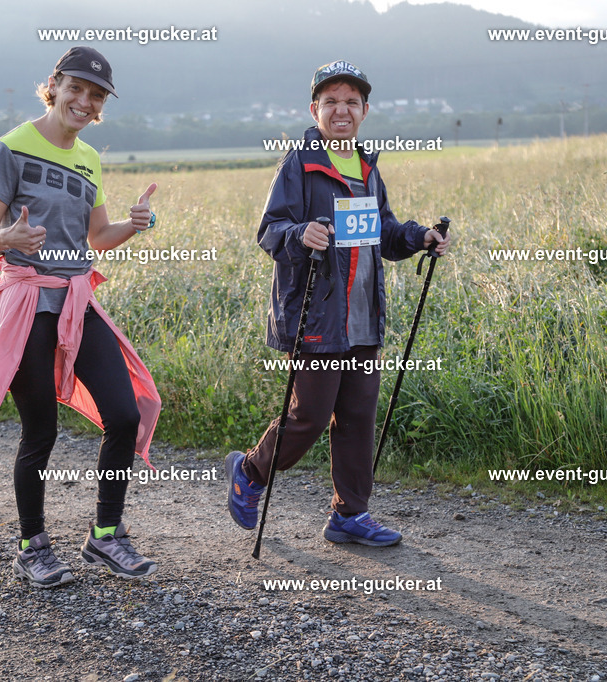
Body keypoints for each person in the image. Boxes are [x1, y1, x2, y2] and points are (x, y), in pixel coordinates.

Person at [0, 46, 162, 587]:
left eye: (96, 95)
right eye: (76, 88)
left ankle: (106, 535)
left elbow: (98, 238)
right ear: (55, 85)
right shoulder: (13, 146)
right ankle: (32, 546)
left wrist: (134, 224)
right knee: (40, 430)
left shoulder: (89, 158)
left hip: (75, 299)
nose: (85, 102)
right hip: (27, 303)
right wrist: (7, 236)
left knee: (125, 414)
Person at [225, 60, 449, 547]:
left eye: (351, 102)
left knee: (357, 419)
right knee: (308, 416)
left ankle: (349, 515)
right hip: (318, 316)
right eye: (331, 102)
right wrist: (299, 233)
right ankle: (250, 471)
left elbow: (383, 231)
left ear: (365, 111)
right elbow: (270, 231)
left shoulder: (367, 166)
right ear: (315, 110)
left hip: (363, 317)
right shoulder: (299, 163)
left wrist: (420, 237)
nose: (341, 110)